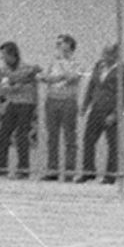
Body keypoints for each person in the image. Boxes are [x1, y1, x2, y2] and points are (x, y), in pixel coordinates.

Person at [78, 42, 124, 184]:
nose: (105, 57)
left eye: (108, 54)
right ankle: (88, 171)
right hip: (96, 107)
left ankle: (110, 175)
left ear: (116, 55)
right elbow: (92, 85)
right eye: (104, 53)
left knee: (112, 143)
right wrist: (85, 105)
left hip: (111, 109)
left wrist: (115, 113)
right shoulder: (99, 66)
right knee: (88, 140)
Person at [39, 33, 84, 181]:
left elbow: (73, 78)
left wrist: (60, 72)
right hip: (52, 100)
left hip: (68, 101)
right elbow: (43, 77)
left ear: (69, 46)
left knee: (69, 136)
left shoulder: (77, 63)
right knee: (52, 136)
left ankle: (70, 171)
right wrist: (58, 77)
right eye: (57, 44)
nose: (58, 47)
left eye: (61, 44)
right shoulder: (51, 61)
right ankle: (52, 170)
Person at [0, 41, 40, 178]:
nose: (3, 59)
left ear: (12, 54)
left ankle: (23, 169)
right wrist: (3, 88)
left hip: (26, 103)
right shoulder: (5, 69)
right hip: (12, 102)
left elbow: (34, 78)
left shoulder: (27, 68)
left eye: (4, 55)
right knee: (3, 134)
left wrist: (18, 85)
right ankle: (1, 168)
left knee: (22, 135)